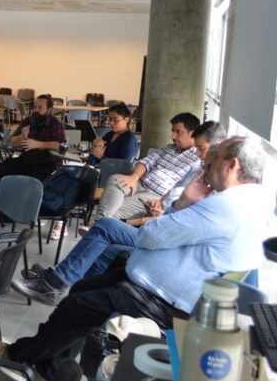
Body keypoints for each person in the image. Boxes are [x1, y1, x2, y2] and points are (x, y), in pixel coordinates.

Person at [0, 136, 273, 381]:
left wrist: (183, 202)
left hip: (165, 302)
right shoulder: (250, 202)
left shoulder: (227, 207)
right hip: (152, 285)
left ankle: (22, 358)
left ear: (232, 165)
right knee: (83, 289)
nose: (206, 171)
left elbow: (150, 235)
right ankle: (48, 367)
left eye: (211, 163)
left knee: (77, 306)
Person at [14, 121, 228, 306]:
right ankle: (73, 292)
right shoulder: (199, 170)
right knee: (105, 239)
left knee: (106, 227)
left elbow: (181, 223)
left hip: (162, 235)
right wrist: (161, 207)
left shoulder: (215, 188)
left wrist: (152, 217)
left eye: (202, 149)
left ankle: (56, 282)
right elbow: (168, 193)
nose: (199, 155)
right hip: (157, 216)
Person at [95, 112, 201, 220]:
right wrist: (134, 177)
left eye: (178, 132)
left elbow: (184, 191)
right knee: (115, 179)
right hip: (139, 184)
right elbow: (146, 162)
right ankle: (98, 223)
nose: (172, 136)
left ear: (192, 133)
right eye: (173, 131)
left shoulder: (198, 159)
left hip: (156, 195)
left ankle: (96, 223)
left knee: (114, 208)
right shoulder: (169, 148)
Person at [0, 94, 65, 217]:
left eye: (40, 107)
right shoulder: (28, 121)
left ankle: (26, 209)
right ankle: (3, 204)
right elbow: (12, 142)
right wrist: (22, 136)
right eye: (35, 107)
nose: (36, 110)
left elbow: (60, 145)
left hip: (47, 164)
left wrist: (38, 144)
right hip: (27, 161)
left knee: (34, 180)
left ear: (49, 109)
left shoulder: (55, 123)